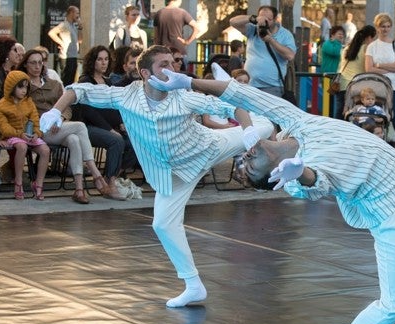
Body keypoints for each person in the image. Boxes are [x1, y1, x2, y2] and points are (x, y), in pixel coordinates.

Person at [150, 69, 395, 324]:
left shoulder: (297, 121)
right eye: (249, 167)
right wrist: (301, 171)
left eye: (243, 159)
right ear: (271, 175)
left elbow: (245, 94)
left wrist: (190, 81)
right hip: (392, 210)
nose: (245, 157)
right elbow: (315, 182)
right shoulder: (296, 175)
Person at [39, 45, 275, 308]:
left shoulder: (183, 97)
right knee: (162, 224)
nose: (172, 70)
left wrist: (249, 129)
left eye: (173, 64)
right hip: (173, 174)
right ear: (144, 73)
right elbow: (78, 90)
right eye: (164, 65)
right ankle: (193, 285)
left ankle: (259, 111)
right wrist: (54, 111)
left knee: (265, 125)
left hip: (206, 149)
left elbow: (232, 108)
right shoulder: (126, 96)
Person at [18, 49, 121, 203]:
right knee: (80, 127)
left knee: (74, 139)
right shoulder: (23, 86)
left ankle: (79, 190)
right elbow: (20, 110)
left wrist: (60, 116)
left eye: (40, 62)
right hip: (38, 129)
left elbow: (67, 106)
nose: (37, 66)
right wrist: (49, 120)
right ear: (25, 64)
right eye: (33, 62)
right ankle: (96, 174)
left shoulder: (53, 84)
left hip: (59, 127)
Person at [74, 45, 137, 194]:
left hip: (109, 127)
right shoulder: (85, 80)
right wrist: (110, 129)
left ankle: (115, 174)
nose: (104, 63)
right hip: (87, 127)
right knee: (116, 141)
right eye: (100, 59)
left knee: (136, 142)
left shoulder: (108, 82)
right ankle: (110, 181)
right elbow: (88, 112)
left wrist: (121, 123)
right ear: (92, 62)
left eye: (106, 59)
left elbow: (114, 107)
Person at [0, 70, 50, 200]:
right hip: (13, 135)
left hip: (28, 135)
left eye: (26, 87)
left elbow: (35, 119)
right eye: (20, 87)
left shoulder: (28, 102)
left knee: (45, 150)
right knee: (22, 147)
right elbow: (3, 127)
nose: (24, 90)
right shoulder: (2, 105)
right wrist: (19, 134)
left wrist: (36, 132)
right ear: (11, 87)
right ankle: (18, 181)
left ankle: (38, 183)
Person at [365, 13, 395, 160]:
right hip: (378, 89)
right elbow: (368, 68)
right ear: (377, 28)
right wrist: (388, 68)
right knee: (377, 122)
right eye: (382, 26)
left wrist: (379, 65)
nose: (385, 29)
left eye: (387, 26)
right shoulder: (372, 46)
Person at [229, 6, 296, 97]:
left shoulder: (285, 35)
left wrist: (271, 40)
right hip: (249, 84)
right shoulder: (253, 29)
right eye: (261, 18)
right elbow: (232, 22)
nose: (264, 22)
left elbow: (290, 55)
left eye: (268, 19)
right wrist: (252, 18)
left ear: (276, 19)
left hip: (272, 87)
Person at [333, 25, 377, 120]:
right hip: (356, 86)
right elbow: (369, 67)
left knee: (340, 114)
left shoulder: (347, 48)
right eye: (373, 38)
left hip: (342, 85)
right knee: (356, 116)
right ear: (369, 37)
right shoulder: (367, 48)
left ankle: (336, 133)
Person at [48, 5, 82, 86]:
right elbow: (51, 33)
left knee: (72, 80)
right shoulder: (64, 25)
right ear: (71, 13)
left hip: (74, 56)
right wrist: (61, 42)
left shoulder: (74, 26)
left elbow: (80, 40)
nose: (78, 15)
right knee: (66, 80)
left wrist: (80, 27)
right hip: (66, 57)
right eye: (77, 13)